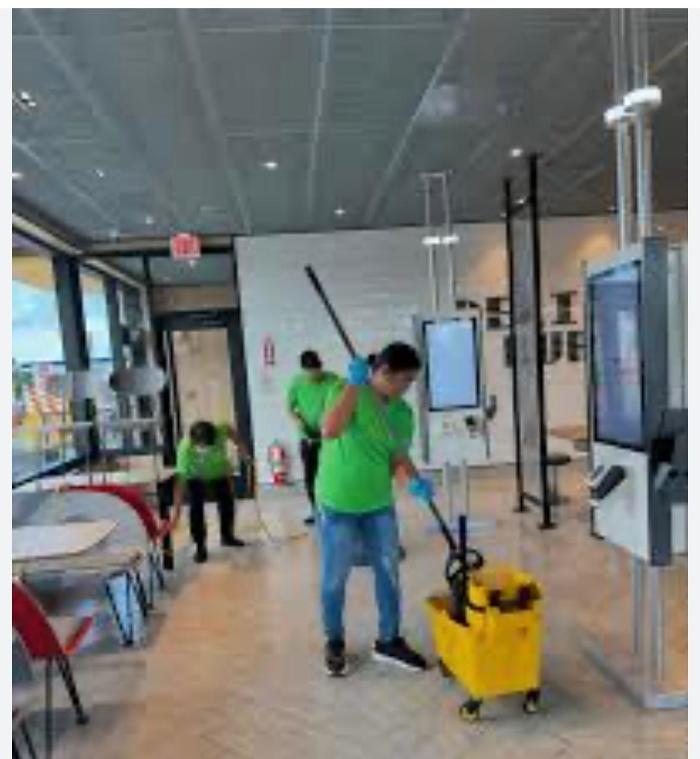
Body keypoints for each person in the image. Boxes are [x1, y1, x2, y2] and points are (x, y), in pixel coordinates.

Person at [316, 342, 435, 676]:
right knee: (335, 577)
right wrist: (354, 386)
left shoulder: (402, 413)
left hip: (378, 505)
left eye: (411, 380)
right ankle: (334, 640)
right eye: (405, 380)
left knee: (389, 572)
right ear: (383, 372)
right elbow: (329, 430)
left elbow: (397, 458)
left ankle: (389, 640)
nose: (407, 387)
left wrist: (413, 482)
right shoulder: (345, 390)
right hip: (337, 504)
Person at [172, 420, 251, 563]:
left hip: (218, 473)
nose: (206, 449)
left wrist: (243, 451)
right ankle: (200, 547)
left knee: (227, 504)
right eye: (202, 446)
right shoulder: (184, 450)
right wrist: (176, 513)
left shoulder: (220, 430)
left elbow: (233, 434)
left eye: (208, 445)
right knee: (196, 509)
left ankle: (227, 537)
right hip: (195, 477)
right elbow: (180, 484)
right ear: (194, 441)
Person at [286, 350, 338, 526]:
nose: (314, 375)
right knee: (311, 477)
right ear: (304, 370)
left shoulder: (333, 380)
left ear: (321, 366)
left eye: (317, 371)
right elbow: (290, 408)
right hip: (308, 439)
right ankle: (316, 511)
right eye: (310, 372)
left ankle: (333, 511)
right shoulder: (297, 383)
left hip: (330, 437)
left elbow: (343, 403)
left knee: (332, 475)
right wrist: (299, 422)